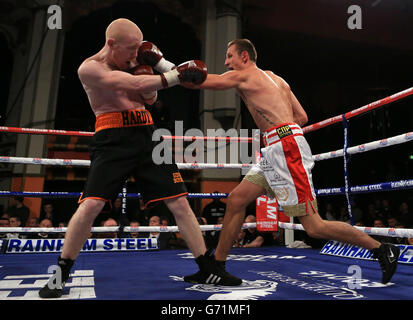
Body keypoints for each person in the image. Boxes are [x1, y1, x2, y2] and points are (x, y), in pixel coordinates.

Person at [38, 18, 231, 298]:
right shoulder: (90, 68)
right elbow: (132, 82)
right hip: (112, 138)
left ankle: (206, 267)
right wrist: (175, 71)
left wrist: (157, 64)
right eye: (130, 49)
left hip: (147, 133)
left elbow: (150, 96)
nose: (134, 55)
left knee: (179, 200)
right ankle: (60, 274)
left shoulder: (132, 61)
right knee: (91, 205)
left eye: (137, 50)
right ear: (111, 43)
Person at [182, 38, 400, 285]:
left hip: (285, 149)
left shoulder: (244, 76)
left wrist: (165, 69)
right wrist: (280, 128)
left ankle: (381, 248)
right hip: (279, 148)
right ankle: (216, 266)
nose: (225, 62)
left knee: (314, 227)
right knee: (237, 200)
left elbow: (202, 81)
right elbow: (302, 116)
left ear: (244, 57)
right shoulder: (277, 79)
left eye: (229, 56)